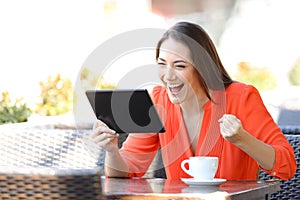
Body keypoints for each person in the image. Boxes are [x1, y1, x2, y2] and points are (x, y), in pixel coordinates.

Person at [92, 21, 296, 180]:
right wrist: (112, 151)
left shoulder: (242, 98)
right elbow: (128, 170)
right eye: (162, 64)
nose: (168, 76)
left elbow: (287, 166)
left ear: (203, 67)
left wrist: (242, 138)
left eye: (180, 66)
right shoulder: (158, 101)